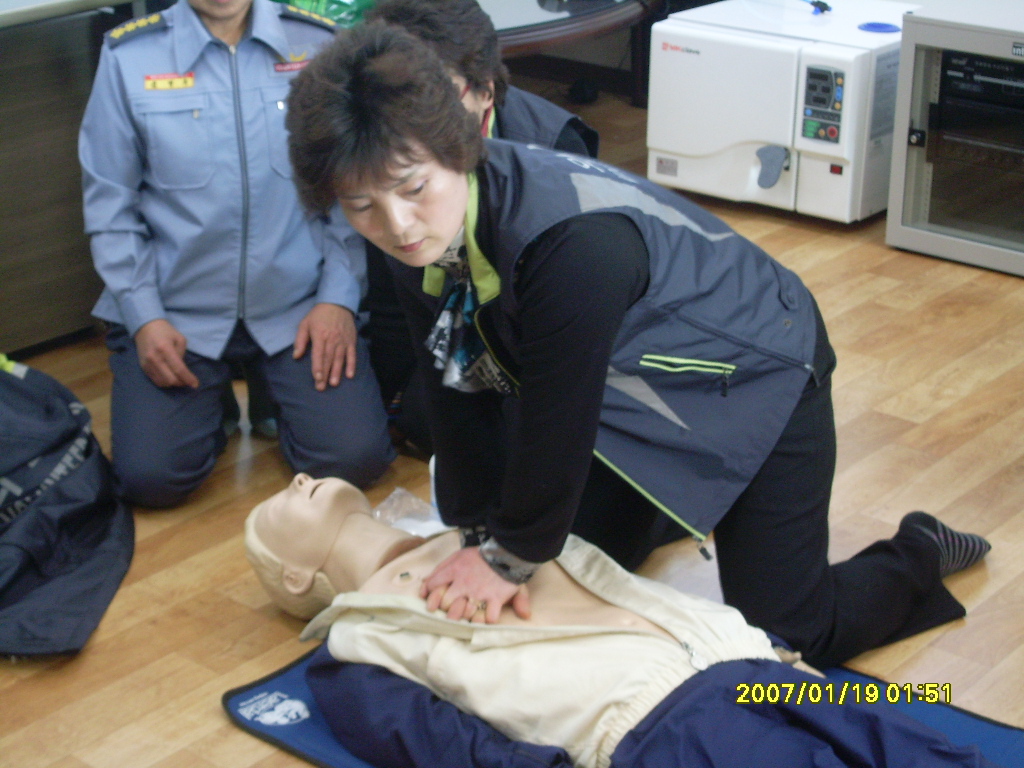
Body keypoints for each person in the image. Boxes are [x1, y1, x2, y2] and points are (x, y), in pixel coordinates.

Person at [282, 23, 992, 669]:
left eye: (413, 189)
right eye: (361, 205)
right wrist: (470, 531)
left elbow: (557, 417)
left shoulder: (572, 247)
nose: (398, 225)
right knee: (571, 562)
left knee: (791, 632)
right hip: (631, 385)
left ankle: (919, 551)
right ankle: (671, 506)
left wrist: (507, 556)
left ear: (459, 147)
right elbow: (455, 383)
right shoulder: (418, 238)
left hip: (761, 367)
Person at [243, 475, 1000, 768]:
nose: (298, 476)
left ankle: (918, 552)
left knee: (929, 746)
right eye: (277, 504)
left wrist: (769, 650)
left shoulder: (486, 519)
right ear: (294, 578)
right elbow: (439, 745)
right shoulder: (356, 645)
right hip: (659, 725)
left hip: (752, 665)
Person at [79, 0, 396, 508]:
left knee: (355, 460)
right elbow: (110, 208)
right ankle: (213, 407)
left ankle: (277, 396)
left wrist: (338, 298)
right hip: (178, 313)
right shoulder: (128, 57)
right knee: (151, 479)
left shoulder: (319, 45)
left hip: (297, 308)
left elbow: (350, 188)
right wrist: (144, 317)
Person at [358, 0, 599, 454]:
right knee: (412, 418)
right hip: (445, 313)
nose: (416, 120)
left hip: (534, 327)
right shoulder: (382, 144)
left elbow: (574, 307)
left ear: (485, 90)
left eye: (438, 98)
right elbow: (388, 294)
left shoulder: (555, 151)